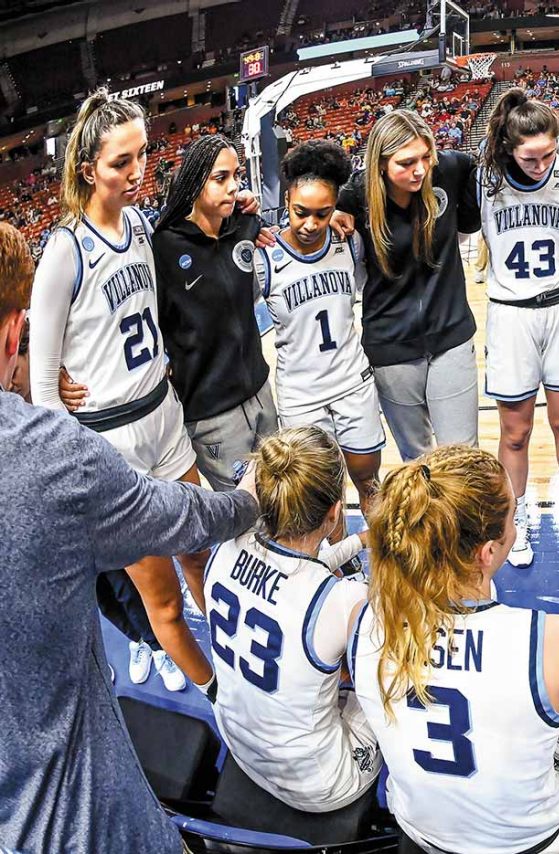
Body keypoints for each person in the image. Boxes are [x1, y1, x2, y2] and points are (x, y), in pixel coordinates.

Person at [0, 220, 260, 852]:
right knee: (156, 600)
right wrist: (249, 501)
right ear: (14, 332)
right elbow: (183, 518)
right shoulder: (48, 458)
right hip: (78, 823)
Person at [28, 89, 215, 693]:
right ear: (88, 169)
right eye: (121, 162)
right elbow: (41, 378)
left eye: (143, 155)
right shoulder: (63, 250)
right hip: (112, 444)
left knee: (201, 553)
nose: (138, 173)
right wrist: (71, 466)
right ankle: (217, 697)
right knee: (158, 600)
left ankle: (230, 648)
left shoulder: (137, 223)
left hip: (163, 416)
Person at [349, 446, 559, 853]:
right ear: (487, 552)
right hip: (532, 842)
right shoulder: (552, 635)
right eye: (511, 515)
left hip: (422, 832)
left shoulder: (362, 620)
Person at [205, 426, 381, 811]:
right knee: (387, 693)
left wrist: (362, 540)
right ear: (335, 512)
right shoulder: (344, 599)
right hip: (319, 786)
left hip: (240, 748)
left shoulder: (223, 550)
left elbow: (296, 572)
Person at [477, 88, 559, 567]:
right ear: (509, 149)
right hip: (511, 313)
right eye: (530, 156)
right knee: (515, 432)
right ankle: (516, 517)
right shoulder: (485, 181)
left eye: (549, 152)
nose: (541, 163)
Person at [334, 109, 481, 460]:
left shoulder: (451, 168)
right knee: (417, 461)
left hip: (451, 337)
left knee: (462, 458)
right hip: (391, 349)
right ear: (381, 164)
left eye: (425, 157)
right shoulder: (354, 196)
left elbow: (503, 153)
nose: (419, 170)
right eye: (406, 162)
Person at [258, 139, 383, 527]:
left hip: (351, 381)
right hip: (300, 393)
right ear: (286, 202)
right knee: (322, 495)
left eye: (322, 213)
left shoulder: (351, 244)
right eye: (300, 212)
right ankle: (337, 573)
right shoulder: (265, 258)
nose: (311, 224)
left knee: (368, 482)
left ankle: (382, 569)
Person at [142, 134, 277, 492]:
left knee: (283, 500)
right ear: (194, 181)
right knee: (244, 516)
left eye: (237, 176)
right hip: (213, 415)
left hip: (262, 393)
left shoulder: (244, 226)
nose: (233, 187)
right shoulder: (164, 248)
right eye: (221, 178)